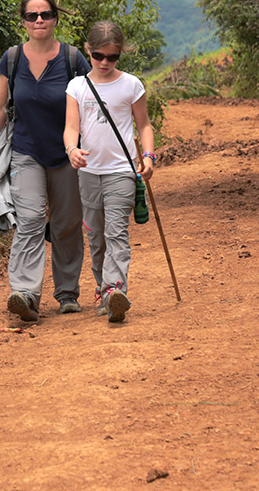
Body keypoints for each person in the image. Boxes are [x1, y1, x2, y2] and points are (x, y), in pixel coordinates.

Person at [0, 0, 91, 322]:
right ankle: (25, 294)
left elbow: (90, 104)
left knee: (67, 223)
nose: (39, 20)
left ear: (55, 18)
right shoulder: (12, 59)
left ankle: (67, 292)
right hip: (25, 152)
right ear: (23, 21)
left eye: (45, 14)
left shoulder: (72, 58)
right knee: (29, 220)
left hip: (68, 154)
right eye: (31, 16)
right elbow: (0, 106)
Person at [63, 20, 155, 324]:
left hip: (121, 171)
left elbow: (143, 124)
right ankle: (104, 290)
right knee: (97, 237)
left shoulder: (131, 84)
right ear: (88, 51)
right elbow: (71, 127)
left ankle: (116, 290)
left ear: (120, 54)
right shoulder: (77, 86)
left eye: (112, 57)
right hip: (88, 173)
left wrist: (148, 156)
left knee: (116, 232)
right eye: (98, 56)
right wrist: (71, 150)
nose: (104, 63)